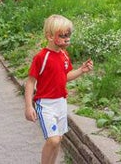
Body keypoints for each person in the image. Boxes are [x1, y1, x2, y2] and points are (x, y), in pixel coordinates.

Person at [25, 14, 94, 164]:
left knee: (59, 139)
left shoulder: (64, 55)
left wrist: (81, 70)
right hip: (45, 104)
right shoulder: (41, 57)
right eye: (62, 35)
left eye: (68, 35)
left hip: (61, 103)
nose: (67, 38)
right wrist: (29, 106)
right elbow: (30, 82)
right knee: (53, 140)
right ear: (50, 36)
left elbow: (65, 76)